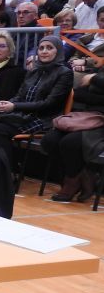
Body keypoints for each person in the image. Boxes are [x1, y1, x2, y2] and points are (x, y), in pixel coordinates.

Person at [0, 36, 72, 163]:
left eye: (49, 48)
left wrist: (14, 106)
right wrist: (8, 103)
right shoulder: (34, 70)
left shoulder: (65, 73)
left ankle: (5, 170)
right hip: (23, 114)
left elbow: (49, 104)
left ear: (58, 51)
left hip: (43, 119)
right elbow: (20, 95)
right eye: (41, 48)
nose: (44, 51)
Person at [41, 71, 104, 201]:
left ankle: (71, 182)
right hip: (86, 118)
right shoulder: (100, 75)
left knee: (69, 142)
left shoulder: (94, 77)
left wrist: (93, 79)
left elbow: (85, 96)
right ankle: (84, 175)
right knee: (50, 140)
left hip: (101, 124)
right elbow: (78, 94)